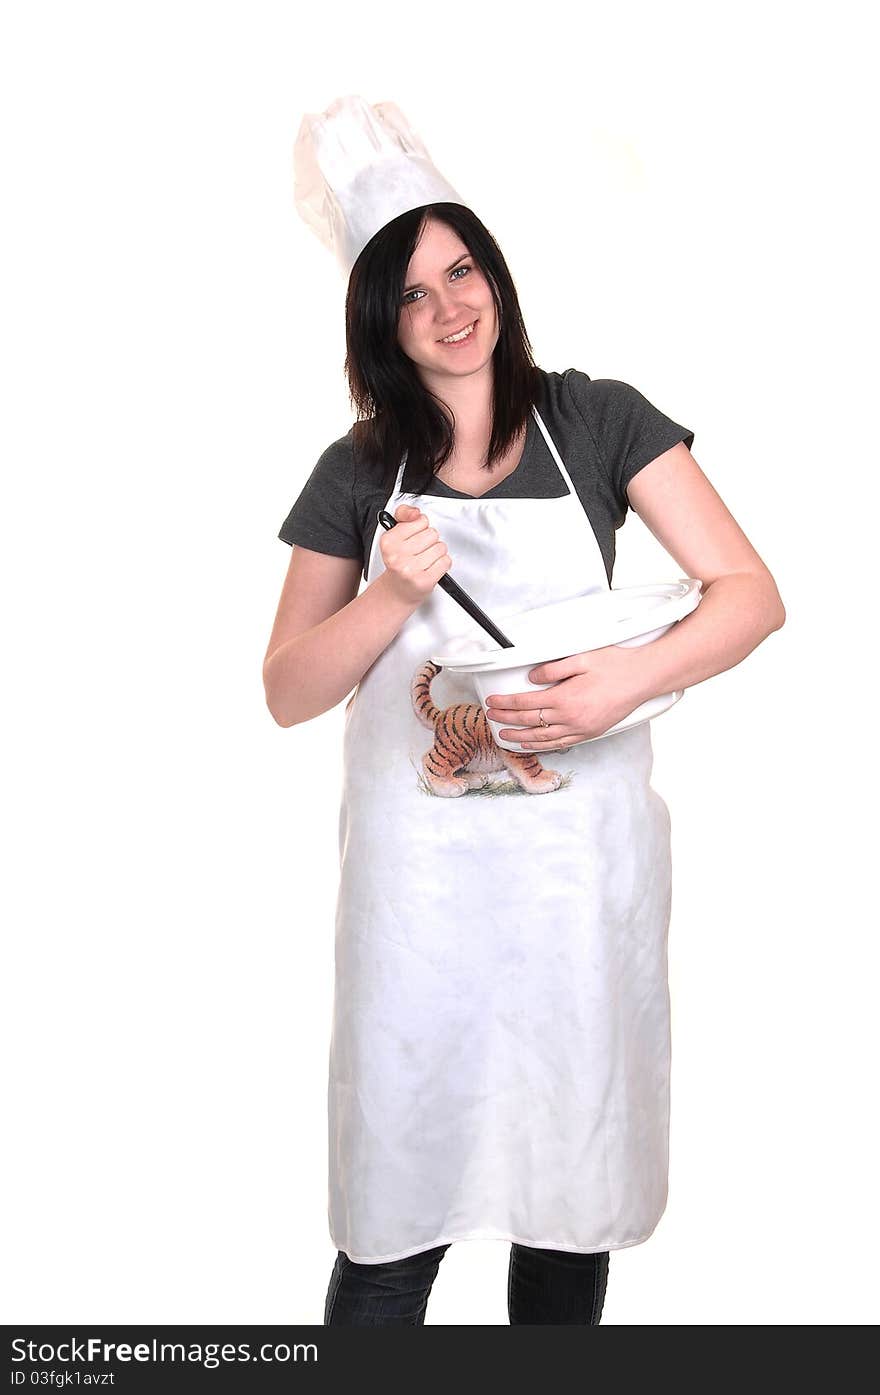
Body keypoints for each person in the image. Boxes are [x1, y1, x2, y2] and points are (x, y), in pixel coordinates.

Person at [263, 97, 786, 1326]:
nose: (451, 308)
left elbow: (749, 595)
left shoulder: (599, 419)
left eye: (464, 270)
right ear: (376, 322)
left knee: (565, 1206)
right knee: (395, 1218)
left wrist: (624, 682)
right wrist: (392, 593)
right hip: (420, 909)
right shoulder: (356, 472)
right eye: (411, 292)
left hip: (572, 885)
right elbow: (289, 689)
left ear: (493, 275)